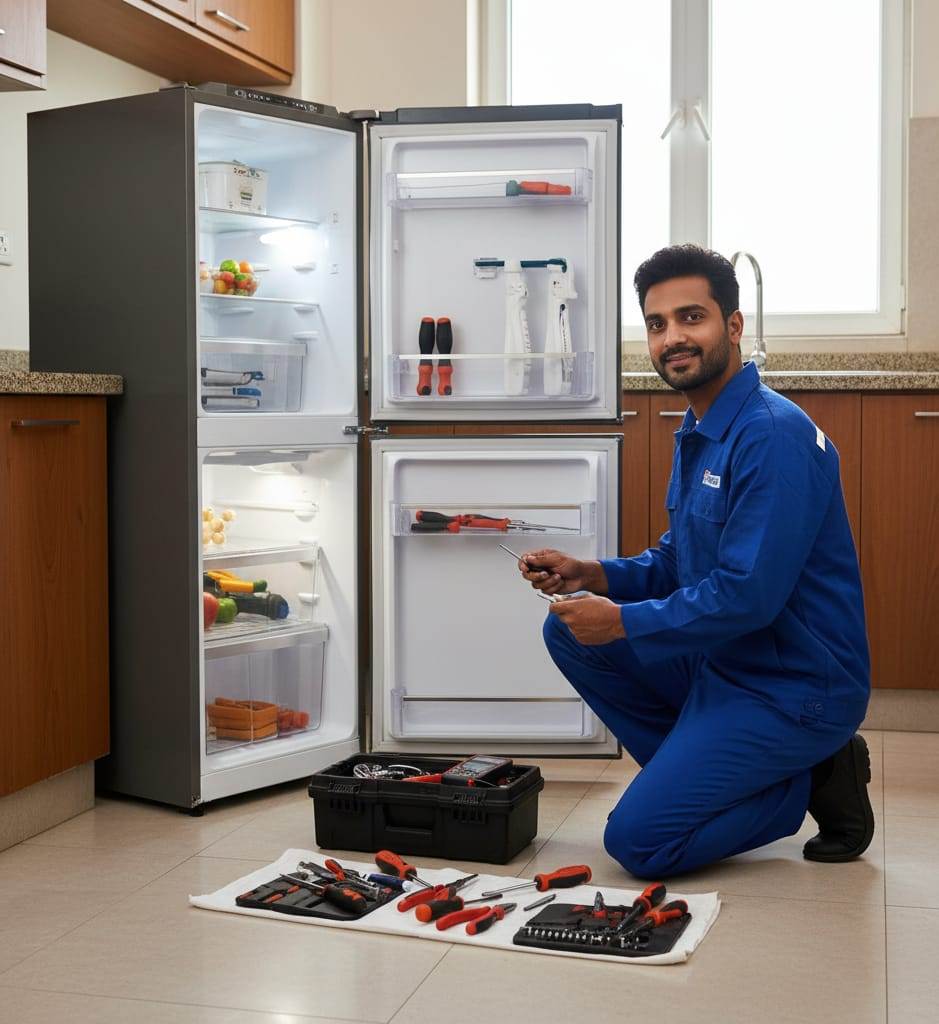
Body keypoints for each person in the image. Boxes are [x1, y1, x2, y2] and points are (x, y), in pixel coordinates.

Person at [520, 244, 874, 878]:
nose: (672, 338)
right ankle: (715, 775)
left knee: (639, 844)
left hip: (792, 687)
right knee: (569, 631)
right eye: (657, 324)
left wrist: (624, 621)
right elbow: (680, 560)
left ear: (733, 327)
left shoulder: (771, 435)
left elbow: (747, 595)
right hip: (728, 663)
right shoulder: (701, 427)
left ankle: (808, 776)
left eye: (691, 318)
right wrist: (592, 575)